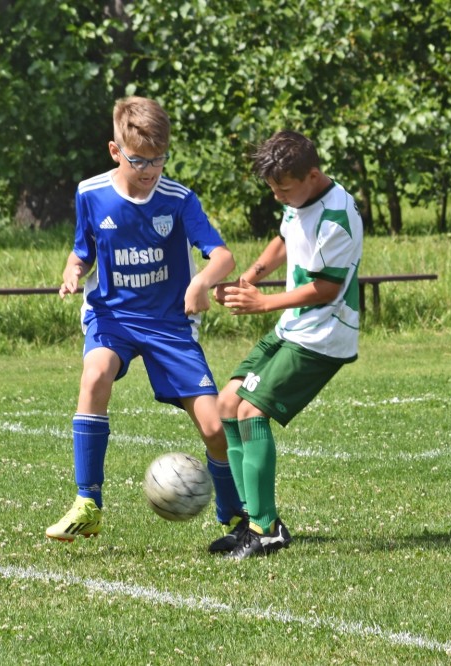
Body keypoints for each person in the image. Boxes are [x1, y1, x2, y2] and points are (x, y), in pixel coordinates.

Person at [46, 96, 245, 547]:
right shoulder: (90, 193)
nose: (150, 169)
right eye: (139, 160)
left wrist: (202, 282)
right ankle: (87, 503)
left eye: (158, 159)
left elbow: (222, 256)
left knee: (214, 428)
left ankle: (234, 514)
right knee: (95, 374)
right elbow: (82, 249)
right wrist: (73, 271)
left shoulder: (178, 200)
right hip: (112, 316)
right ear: (115, 151)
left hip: (169, 323)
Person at [213, 130, 364, 559]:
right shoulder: (298, 200)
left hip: (322, 335)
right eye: (273, 189)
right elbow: (284, 239)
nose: (278, 197)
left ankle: (265, 531)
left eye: (284, 189)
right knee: (228, 404)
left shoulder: (336, 217)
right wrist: (248, 279)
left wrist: (262, 302)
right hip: (293, 327)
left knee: (251, 411)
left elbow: (327, 288)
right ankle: (253, 518)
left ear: (312, 175)